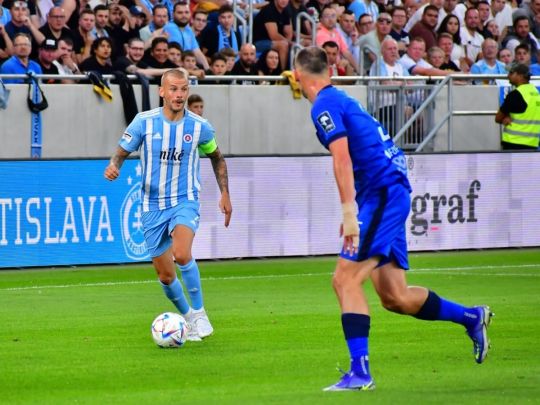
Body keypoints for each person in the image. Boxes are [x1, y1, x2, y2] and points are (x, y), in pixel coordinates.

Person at [293, 46, 493, 391]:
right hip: (387, 192)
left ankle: (360, 373)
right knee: (394, 296)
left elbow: (341, 158)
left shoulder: (324, 105)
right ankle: (471, 317)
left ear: (297, 77)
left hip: (382, 193)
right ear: (331, 71)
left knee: (344, 280)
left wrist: (349, 211)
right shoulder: (340, 98)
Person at [104, 68, 232, 341]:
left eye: (184, 89)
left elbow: (217, 157)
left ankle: (200, 312)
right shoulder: (144, 122)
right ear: (162, 91)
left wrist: (225, 194)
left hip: (185, 200)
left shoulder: (199, 127)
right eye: (173, 89)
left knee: (182, 253)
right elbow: (121, 152)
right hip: (151, 206)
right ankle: (188, 318)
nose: (179, 94)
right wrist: (114, 165)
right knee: (165, 275)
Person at [495, 63, 540, 150]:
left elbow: (498, 118)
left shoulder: (515, 95)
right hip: (532, 144)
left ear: (520, 76)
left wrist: (505, 117)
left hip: (513, 143)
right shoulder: (536, 93)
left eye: (511, 73)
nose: (508, 76)